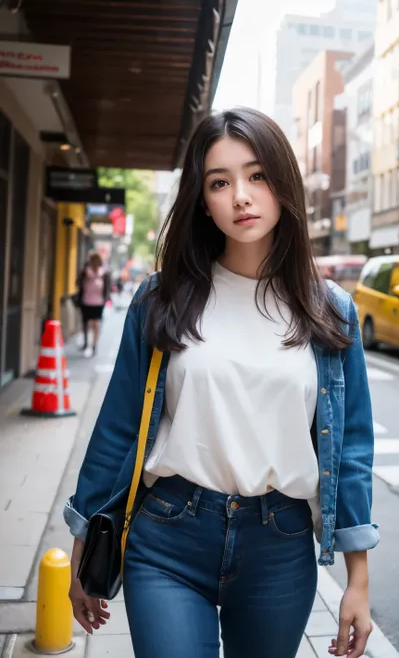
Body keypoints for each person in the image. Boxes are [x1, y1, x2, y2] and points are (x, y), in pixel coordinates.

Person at [65, 108, 379, 658]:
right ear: (202, 199)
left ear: (284, 184)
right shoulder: (162, 299)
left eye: (257, 175)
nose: (241, 195)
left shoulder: (330, 309)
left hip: (278, 546)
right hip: (167, 536)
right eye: (220, 182)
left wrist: (358, 581)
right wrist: (81, 547)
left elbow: (350, 450)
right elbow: (117, 429)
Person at [77, 252, 110, 358]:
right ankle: (86, 342)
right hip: (86, 301)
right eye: (93, 261)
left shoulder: (104, 273)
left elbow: (107, 287)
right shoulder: (85, 272)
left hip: (98, 302)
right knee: (86, 323)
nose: (95, 264)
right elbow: (77, 282)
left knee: (95, 324)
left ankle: (94, 345)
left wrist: (105, 299)